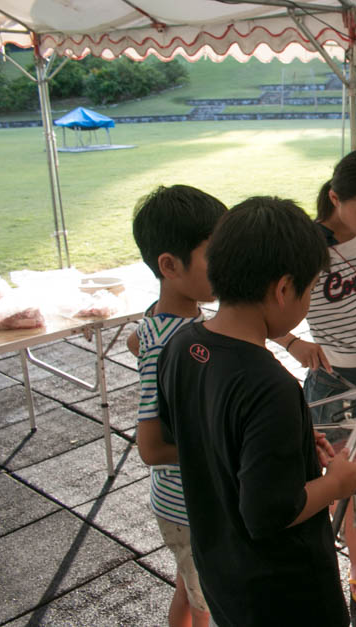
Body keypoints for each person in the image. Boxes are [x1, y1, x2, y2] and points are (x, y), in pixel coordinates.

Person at [156, 196, 356, 627]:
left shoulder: (179, 347)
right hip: (284, 593)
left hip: (219, 569)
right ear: (284, 289)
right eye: (308, 291)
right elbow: (269, 513)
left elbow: (197, 433)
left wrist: (289, 443)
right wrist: (337, 482)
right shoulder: (272, 387)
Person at [273, 147, 356, 606]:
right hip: (334, 374)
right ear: (335, 197)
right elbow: (260, 299)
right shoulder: (306, 245)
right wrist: (292, 343)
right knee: (335, 473)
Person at [128, 184, 227, 627]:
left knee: (188, 588)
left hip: (187, 502)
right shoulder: (174, 343)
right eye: (216, 256)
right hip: (185, 504)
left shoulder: (161, 320)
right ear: (170, 266)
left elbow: (136, 338)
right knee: (210, 601)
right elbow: (150, 448)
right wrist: (218, 447)